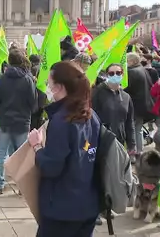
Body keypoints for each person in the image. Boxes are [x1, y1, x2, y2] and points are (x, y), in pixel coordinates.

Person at [27, 61, 100, 237]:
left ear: (59, 87)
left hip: (62, 209)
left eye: (49, 82)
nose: (47, 86)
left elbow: (52, 167)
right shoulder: (90, 115)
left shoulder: (62, 121)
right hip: (87, 205)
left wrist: (37, 146)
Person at [0, 48, 36, 194]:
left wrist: (0, 115)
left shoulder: (1, 79)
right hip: (22, 122)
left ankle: (0, 183)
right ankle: (21, 185)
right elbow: (33, 102)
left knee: (1, 153)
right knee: (21, 155)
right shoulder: (27, 79)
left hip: (5, 121)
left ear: (9, 61)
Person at [91, 63, 136, 152]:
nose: (115, 75)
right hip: (102, 141)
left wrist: (132, 143)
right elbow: (92, 117)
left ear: (122, 74)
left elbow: (129, 122)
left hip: (120, 141)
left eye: (118, 73)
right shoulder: (97, 93)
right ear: (107, 75)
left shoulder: (126, 97)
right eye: (111, 73)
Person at [125, 52, 154, 154]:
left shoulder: (131, 72)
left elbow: (126, 89)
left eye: (127, 61)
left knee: (132, 129)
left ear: (132, 61)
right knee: (138, 129)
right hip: (143, 104)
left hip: (134, 105)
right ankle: (139, 151)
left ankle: (133, 151)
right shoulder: (143, 69)